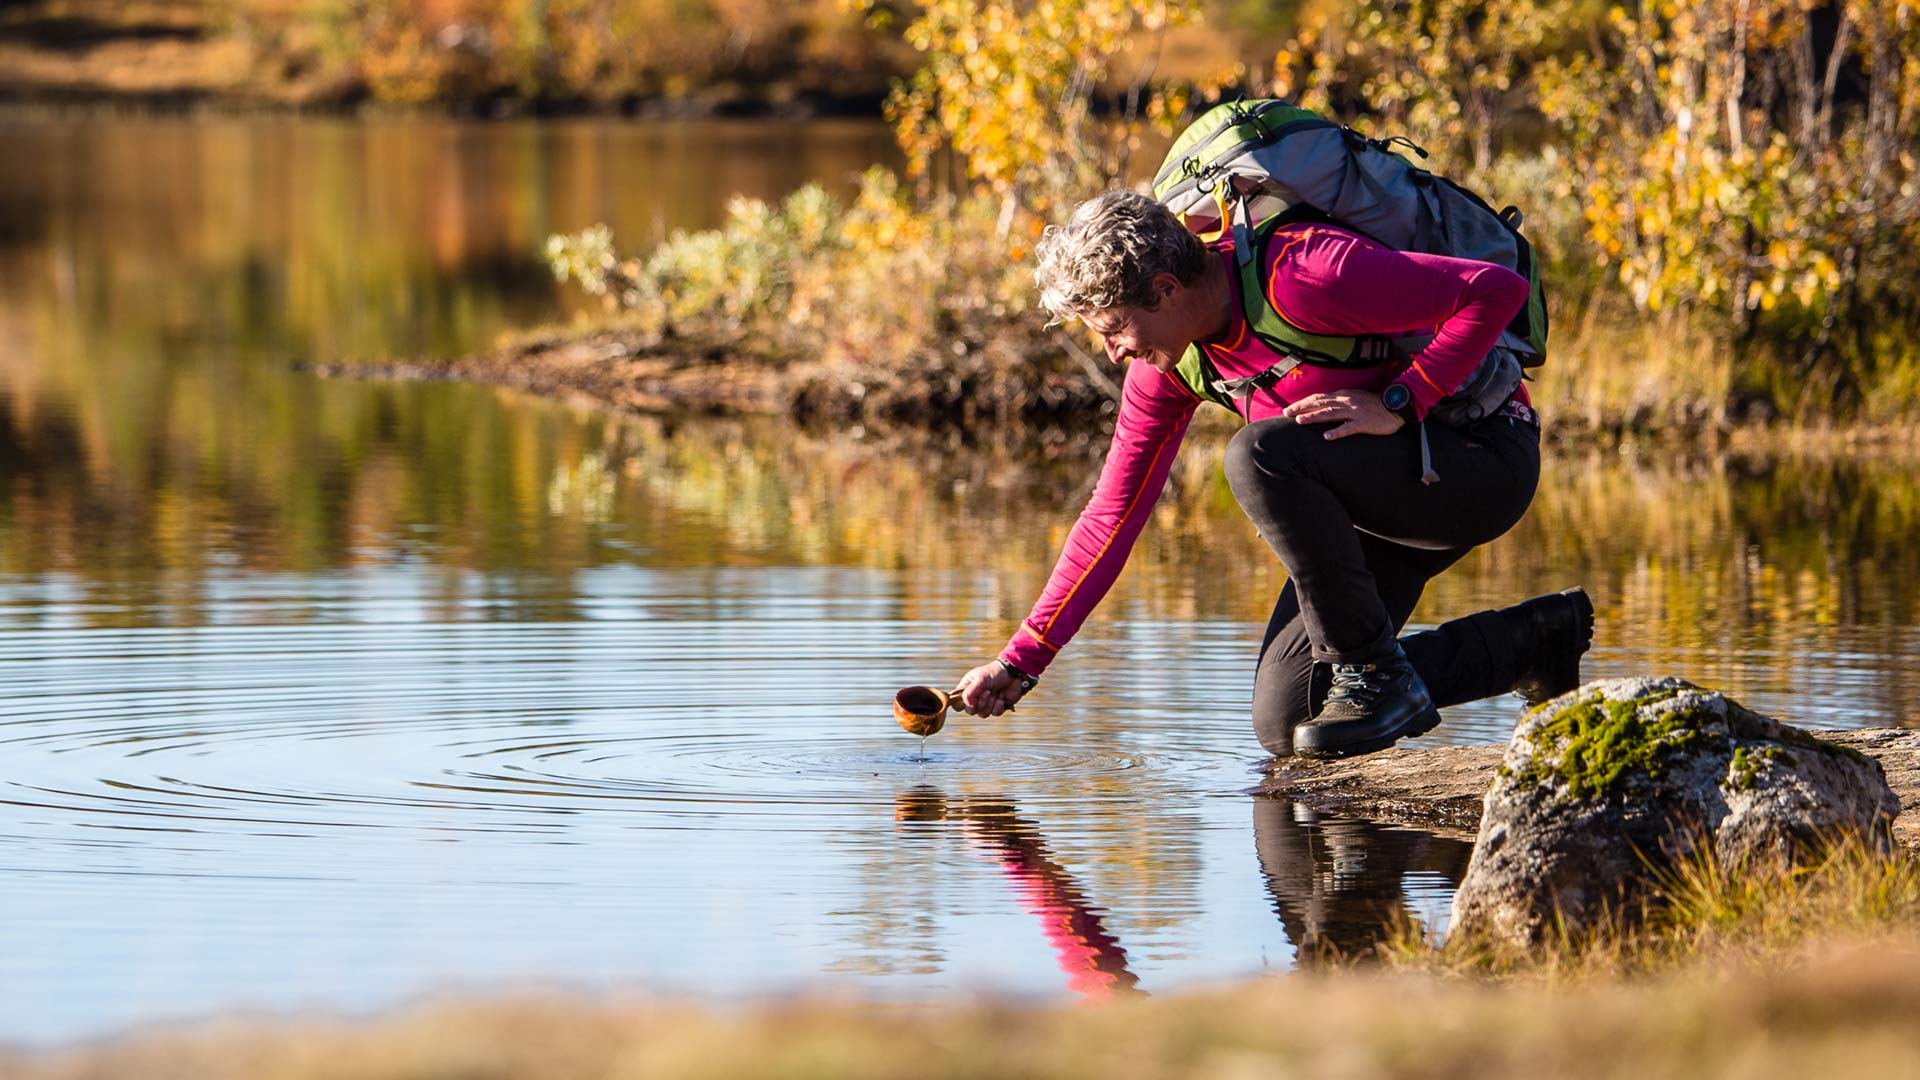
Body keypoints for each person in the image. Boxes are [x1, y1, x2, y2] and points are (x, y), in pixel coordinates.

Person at [951, 190, 1593, 757]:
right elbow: (1111, 516)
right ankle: (1532, 644)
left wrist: (1402, 400)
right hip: (1373, 506)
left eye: (1114, 329)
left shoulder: (1305, 273)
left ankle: (1375, 676)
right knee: (1290, 720)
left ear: (1166, 289)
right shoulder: (1167, 368)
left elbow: (1495, 290)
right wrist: (1021, 660)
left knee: (1256, 455)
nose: (1114, 352)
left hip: (1478, 463)